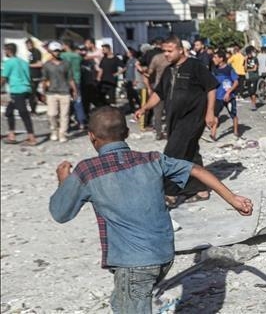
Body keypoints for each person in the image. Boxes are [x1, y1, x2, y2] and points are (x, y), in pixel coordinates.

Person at [49, 106, 253, 313]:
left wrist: (63, 182)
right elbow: (196, 169)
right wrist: (233, 198)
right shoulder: (151, 159)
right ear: (126, 133)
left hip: (133, 263)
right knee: (120, 302)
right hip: (163, 255)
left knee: (130, 300)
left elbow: (60, 213)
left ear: (91, 136)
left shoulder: (88, 170)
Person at [135, 35, 218, 204]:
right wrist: (144, 108)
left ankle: (170, 194)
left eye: (170, 51)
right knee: (190, 153)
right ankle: (200, 189)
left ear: (181, 50)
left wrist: (210, 113)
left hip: (193, 118)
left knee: (172, 154)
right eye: (164, 51)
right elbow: (159, 94)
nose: (166, 54)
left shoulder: (195, 66)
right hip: (174, 120)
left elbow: (211, 88)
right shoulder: (168, 70)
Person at [3, 43, 37, 145]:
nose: (4, 52)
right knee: (9, 112)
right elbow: (29, 76)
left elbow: (3, 77)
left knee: (23, 113)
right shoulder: (24, 62)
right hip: (26, 89)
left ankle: (32, 138)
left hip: (17, 90)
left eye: (5, 50)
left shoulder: (9, 62)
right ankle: (11, 135)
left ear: (8, 51)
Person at [43, 42, 77, 143]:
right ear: (50, 51)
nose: (57, 53)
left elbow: (70, 78)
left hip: (64, 92)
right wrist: (43, 92)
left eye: (58, 51)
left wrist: (74, 90)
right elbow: (45, 79)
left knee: (64, 115)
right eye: (54, 51)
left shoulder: (66, 63)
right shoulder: (47, 65)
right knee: (52, 114)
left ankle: (62, 133)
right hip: (51, 92)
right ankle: (54, 131)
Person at [210, 50, 240, 140]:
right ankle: (213, 134)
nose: (213, 59)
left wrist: (228, 92)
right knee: (215, 115)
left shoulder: (229, 69)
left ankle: (236, 132)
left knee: (233, 114)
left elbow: (236, 82)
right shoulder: (214, 69)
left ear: (221, 59)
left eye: (215, 57)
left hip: (229, 97)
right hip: (218, 97)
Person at [60, 40, 86, 129]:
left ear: (66, 45)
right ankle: (81, 122)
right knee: (78, 100)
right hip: (77, 79)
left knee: (65, 102)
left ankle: (66, 122)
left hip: (66, 80)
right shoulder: (77, 56)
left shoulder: (62, 56)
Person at [24, 38, 44, 115]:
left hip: (36, 75)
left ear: (32, 44)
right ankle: (41, 98)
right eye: (27, 45)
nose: (28, 47)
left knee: (32, 93)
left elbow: (39, 64)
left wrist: (28, 65)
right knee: (32, 92)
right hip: (31, 75)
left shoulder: (36, 52)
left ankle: (33, 110)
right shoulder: (30, 53)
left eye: (29, 45)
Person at [244, 47, 260, 111]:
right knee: (250, 92)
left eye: (250, 53)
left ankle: (254, 104)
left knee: (253, 91)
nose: (249, 54)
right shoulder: (246, 59)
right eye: (248, 53)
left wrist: (248, 70)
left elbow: (255, 69)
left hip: (254, 77)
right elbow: (245, 69)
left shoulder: (255, 59)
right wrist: (245, 61)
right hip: (248, 77)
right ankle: (252, 102)